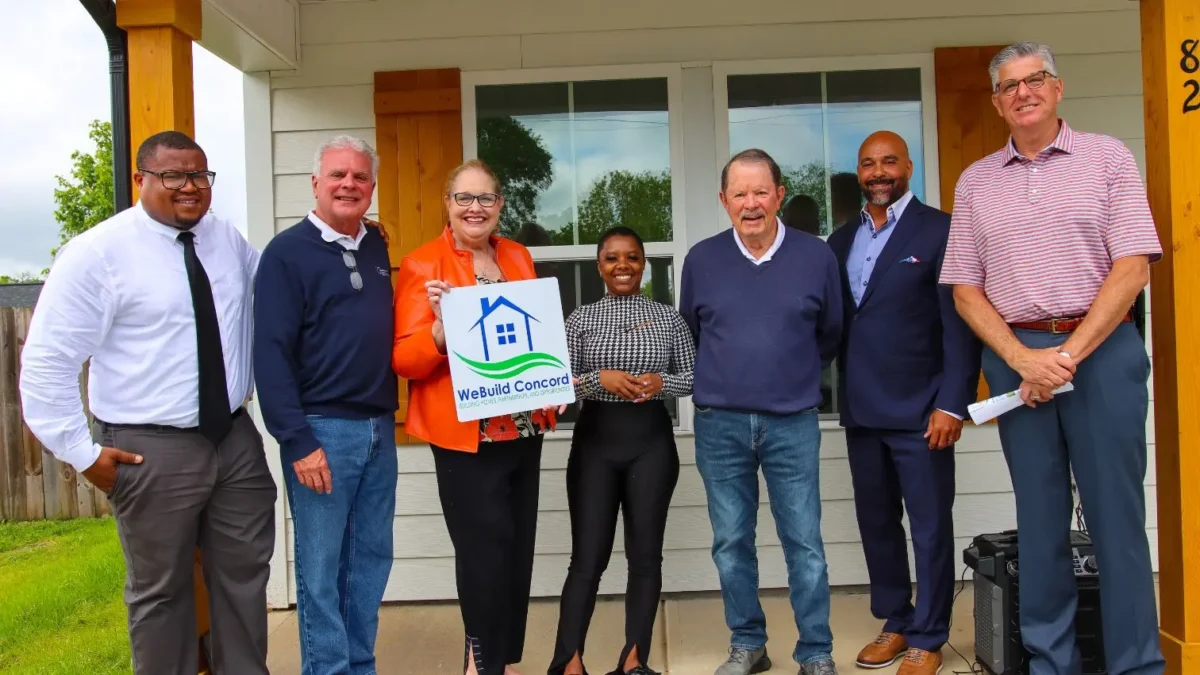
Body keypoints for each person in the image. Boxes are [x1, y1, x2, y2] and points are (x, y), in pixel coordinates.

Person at [940, 42, 1165, 675]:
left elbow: (1132, 266)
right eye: (1009, 86)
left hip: (1102, 352)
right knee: (1039, 523)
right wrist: (1021, 358)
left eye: (1035, 79)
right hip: (1019, 358)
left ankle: (1135, 665)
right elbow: (965, 288)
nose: (1024, 92)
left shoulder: (1107, 158)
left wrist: (1064, 356)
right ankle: (1049, 662)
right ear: (996, 102)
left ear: (1057, 88)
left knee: (1114, 521)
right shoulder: (978, 180)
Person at [19, 131, 274, 674]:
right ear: (141, 181)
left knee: (245, 580)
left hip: (234, 438)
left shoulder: (225, 240)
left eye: (199, 176)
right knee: (160, 592)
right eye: (173, 176)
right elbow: (47, 362)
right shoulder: (97, 254)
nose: (189, 187)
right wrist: (81, 452)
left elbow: (278, 289)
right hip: (150, 449)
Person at [392, 159, 562, 675]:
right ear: (448, 204)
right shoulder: (425, 265)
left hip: (525, 430)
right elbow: (404, 360)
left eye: (485, 198)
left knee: (516, 551)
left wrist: (554, 376)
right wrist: (442, 331)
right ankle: (481, 663)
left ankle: (502, 659)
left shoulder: (517, 255)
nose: (475, 208)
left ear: (501, 204)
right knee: (482, 555)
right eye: (464, 198)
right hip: (466, 437)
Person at [679, 148, 843, 675]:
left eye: (760, 192)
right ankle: (748, 643)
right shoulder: (701, 260)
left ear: (778, 195)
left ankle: (815, 652)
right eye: (739, 193)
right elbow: (694, 334)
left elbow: (831, 333)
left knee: (805, 544)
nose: (750, 204)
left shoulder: (816, 257)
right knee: (730, 543)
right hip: (719, 424)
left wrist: (785, 375)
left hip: (791, 422)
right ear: (724, 200)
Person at [826, 131, 982, 675]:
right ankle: (895, 621)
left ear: (909, 167)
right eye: (868, 163)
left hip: (924, 412)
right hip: (862, 410)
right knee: (877, 523)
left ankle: (929, 635)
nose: (878, 172)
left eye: (889, 161)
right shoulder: (839, 240)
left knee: (930, 525)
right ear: (858, 173)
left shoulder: (941, 230)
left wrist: (952, 404)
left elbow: (961, 327)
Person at [253, 134, 398, 675]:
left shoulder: (377, 246)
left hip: (379, 429)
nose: (349, 184)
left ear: (372, 186)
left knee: (369, 564)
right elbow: (269, 353)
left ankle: (360, 666)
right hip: (321, 432)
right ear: (315, 183)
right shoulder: (286, 254)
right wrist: (298, 440)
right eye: (337, 175)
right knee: (320, 571)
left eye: (360, 177)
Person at [549, 226, 696, 675]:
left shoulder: (667, 317)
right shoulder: (580, 319)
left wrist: (660, 383)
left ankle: (634, 660)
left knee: (645, 555)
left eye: (632, 257)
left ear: (643, 263)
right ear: (599, 266)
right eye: (612, 258)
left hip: (650, 443)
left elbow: (693, 377)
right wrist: (600, 380)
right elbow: (557, 383)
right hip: (595, 442)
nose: (623, 266)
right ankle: (569, 661)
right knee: (587, 557)